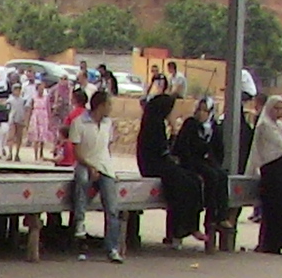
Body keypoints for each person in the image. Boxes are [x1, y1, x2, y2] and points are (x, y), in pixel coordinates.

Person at [136, 92, 202, 248]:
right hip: (152, 165)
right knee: (182, 181)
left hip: (160, 162)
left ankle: (192, 225)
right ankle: (180, 228)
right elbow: (161, 150)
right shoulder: (153, 124)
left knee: (193, 179)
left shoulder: (157, 121)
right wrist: (173, 130)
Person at [68, 88, 124, 263]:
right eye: (109, 104)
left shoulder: (108, 124)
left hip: (104, 166)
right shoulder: (79, 123)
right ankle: (80, 222)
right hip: (85, 163)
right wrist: (90, 166)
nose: (111, 108)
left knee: (112, 208)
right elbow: (77, 152)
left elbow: (106, 147)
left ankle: (112, 248)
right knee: (82, 180)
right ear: (100, 105)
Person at [246, 94, 282, 256]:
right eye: (276, 108)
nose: (279, 111)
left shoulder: (281, 125)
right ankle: (274, 244)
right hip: (272, 172)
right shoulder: (264, 125)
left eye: (281, 108)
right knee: (274, 208)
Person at [173, 97, 229, 244]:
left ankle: (220, 216)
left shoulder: (213, 128)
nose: (201, 113)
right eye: (200, 109)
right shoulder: (190, 124)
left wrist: (214, 161)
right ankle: (207, 217)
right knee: (211, 177)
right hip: (191, 161)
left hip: (206, 161)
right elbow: (183, 148)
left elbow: (218, 150)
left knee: (222, 175)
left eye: (205, 110)